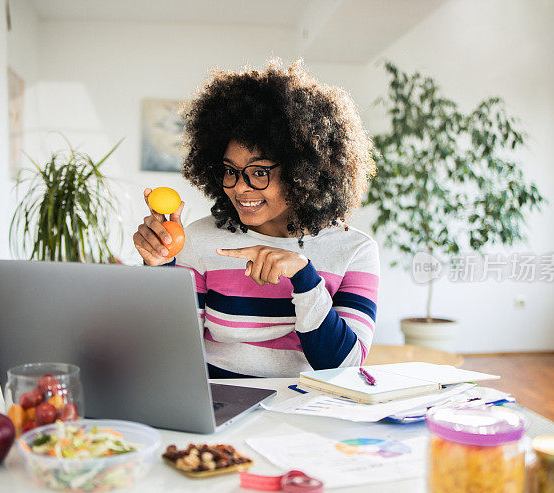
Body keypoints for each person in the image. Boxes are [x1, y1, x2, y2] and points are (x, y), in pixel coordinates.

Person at [133, 60, 379, 378]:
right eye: (230, 171)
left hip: (305, 409)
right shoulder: (198, 239)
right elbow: (169, 349)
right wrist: (160, 267)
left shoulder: (354, 250)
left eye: (259, 172)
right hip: (218, 404)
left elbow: (343, 366)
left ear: (301, 172)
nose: (239, 187)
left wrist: (304, 278)